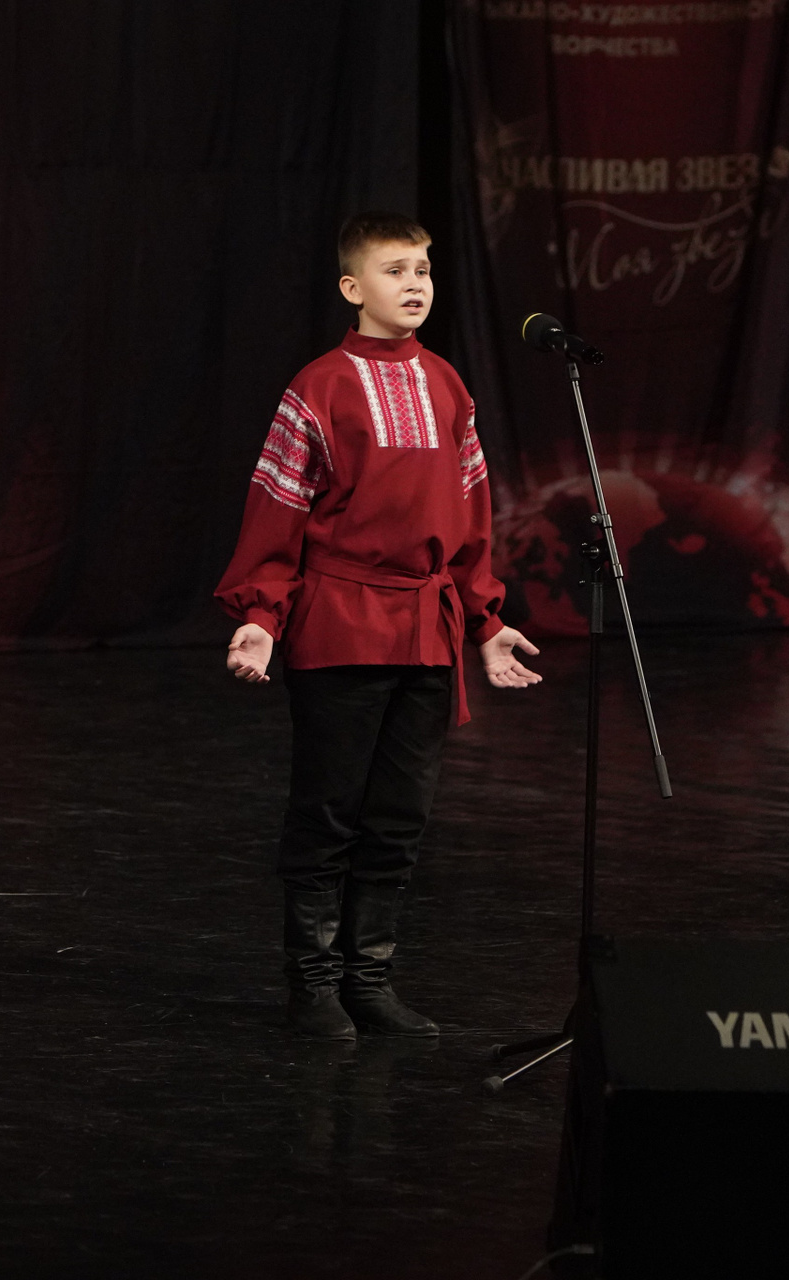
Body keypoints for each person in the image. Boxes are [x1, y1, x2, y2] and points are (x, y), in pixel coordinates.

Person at [214, 212, 542, 1040]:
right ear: (353, 288)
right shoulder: (319, 387)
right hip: (342, 623)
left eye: (423, 269)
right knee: (329, 812)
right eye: (395, 270)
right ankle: (314, 984)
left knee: (400, 816)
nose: (415, 283)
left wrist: (485, 622)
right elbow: (278, 511)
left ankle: (369, 980)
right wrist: (261, 617)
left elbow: (471, 518)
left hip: (425, 628)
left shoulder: (448, 384)